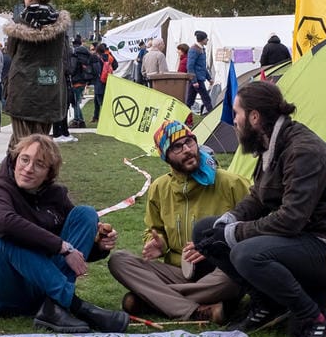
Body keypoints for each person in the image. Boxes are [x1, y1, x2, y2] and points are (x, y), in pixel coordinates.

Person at [191, 80, 326, 337]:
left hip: (324, 243)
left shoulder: (302, 150)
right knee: (205, 231)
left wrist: (236, 233)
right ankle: (267, 303)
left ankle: (316, 320)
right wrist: (230, 219)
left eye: (236, 113)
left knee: (246, 253)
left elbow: (291, 219)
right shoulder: (270, 141)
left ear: (254, 117)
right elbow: (259, 196)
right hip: (297, 237)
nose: (233, 121)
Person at [0, 134, 127, 333]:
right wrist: (61, 246)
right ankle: (76, 305)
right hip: (7, 291)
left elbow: (77, 251)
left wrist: (99, 245)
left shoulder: (55, 195)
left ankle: (53, 306)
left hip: (42, 284)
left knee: (85, 214)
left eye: (39, 164)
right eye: (25, 159)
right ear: (15, 159)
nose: (28, 169)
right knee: (9, 238)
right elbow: (4, 224)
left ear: (49, 173)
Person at [107, 120, 250, 323]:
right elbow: (154, 229)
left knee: (235, 275)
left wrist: (215, 247)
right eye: (177, 147)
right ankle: (199, 310)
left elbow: (253, 229)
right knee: (119, 260)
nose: (187, 150)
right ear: (166, 156)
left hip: (219, 271)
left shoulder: (231, 183)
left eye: (190, 142)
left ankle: (150, 300)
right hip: (178, 271)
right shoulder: (159, 188)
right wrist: (159, 244)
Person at [2, 0, 74, 143]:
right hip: (49, 87)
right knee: (40, 141)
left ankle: (16, 168)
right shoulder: (59, 24)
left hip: (23, 89)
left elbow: (11, 52)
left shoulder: (20, 23)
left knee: (21, 142)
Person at [68, 36, 97, 128]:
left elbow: (72, 70)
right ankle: (79, 120)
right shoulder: (85, 55)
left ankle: (78, 120)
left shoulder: (75, 55)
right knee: (77, 101)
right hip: (83, 80)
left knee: (75, 102)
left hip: (76, 81)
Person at [186, 31, 214, 113]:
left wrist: (209, 78)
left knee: (190, 99)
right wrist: (194, 80)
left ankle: (185, 114)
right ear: (202, 40)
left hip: (199, 78)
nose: (207, 40)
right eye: (206, 39)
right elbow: (190, 66)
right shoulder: (194, 49)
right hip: (197, 79)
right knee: (206, 98)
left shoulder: (201, 49)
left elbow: (202, 66)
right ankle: (211, 113)